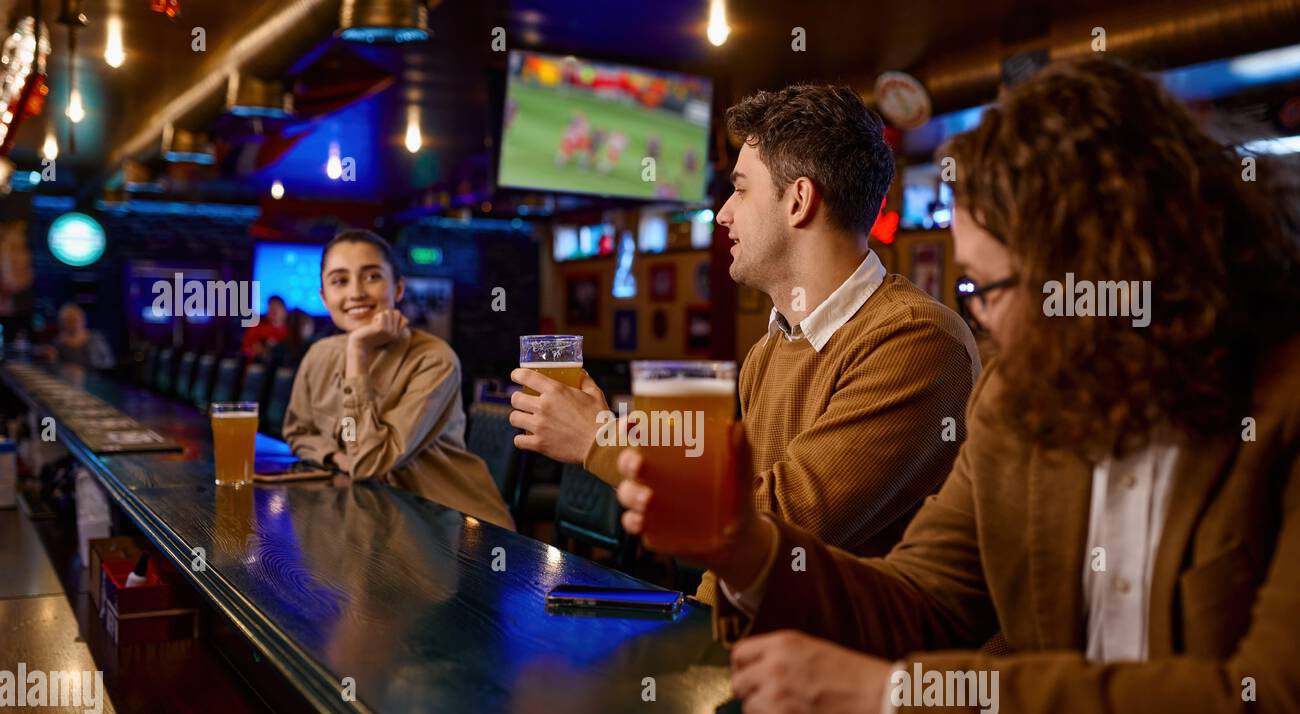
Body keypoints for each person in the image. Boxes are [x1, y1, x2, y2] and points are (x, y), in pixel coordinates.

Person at [614, 57, 1300, 714]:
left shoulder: (1280, 403)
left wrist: (897, 707)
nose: (986, 326)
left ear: (1109, 271)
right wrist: (751, 550)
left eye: (991, 290)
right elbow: (929, 603)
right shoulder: (1022, 400)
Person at [510, 84, 980, 604]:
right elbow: (738, 529)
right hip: (770, 651)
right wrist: (696, 625)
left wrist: (597, 441)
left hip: (871, 676)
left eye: (740, 189)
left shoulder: (916, 341)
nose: (722, 214)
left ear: (798, 201)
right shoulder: (771, 348)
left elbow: (778, 521)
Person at [282, 229, 515, 530]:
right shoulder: (318, 356)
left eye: (372, 277)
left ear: (399, 288)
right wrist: (336, 458)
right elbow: (298, 430)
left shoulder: (434, 359)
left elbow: (367, 463)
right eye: (340, 281)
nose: (356, 293)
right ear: (324, 298)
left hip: (452, 530)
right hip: (368, 518)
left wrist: (358, 351)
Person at [37, 303, 114, 369]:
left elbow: (106, 363)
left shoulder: (95, 338)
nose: (73, 324)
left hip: (94, 381)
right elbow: (56, 367)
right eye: (68, 321)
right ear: (62, 323)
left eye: (75, 320)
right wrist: (51, 358)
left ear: (83, 320)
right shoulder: (58, 342)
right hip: (67, 382)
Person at [241, 294, 290, 359]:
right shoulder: (257, 329)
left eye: (277, 307)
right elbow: (246, 350)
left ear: (285, 311)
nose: (274, 311)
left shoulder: (292, 331)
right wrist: (257, 351)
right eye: (271, 307)